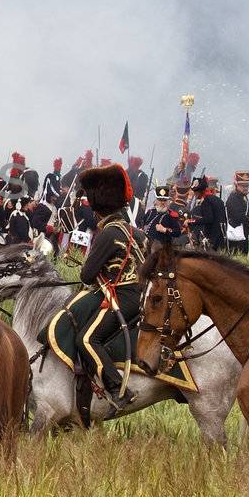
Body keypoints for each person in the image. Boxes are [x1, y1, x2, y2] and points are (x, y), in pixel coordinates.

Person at [45, 165, 144, 410]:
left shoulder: (108, 233)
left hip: (122, 297)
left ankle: (117, 389)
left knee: (87, 339)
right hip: (140, 295)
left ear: (98, 206)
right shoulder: (137, 232)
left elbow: (87, 276)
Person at [225, 171, 249, 255]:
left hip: (242, 234)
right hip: (235, 235)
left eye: (247, 185)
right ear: (237, 185)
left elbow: (245, 214)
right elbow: (238, 216)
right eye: (243, 186)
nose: (246, 188)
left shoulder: (242, 197)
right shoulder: (234, 198)